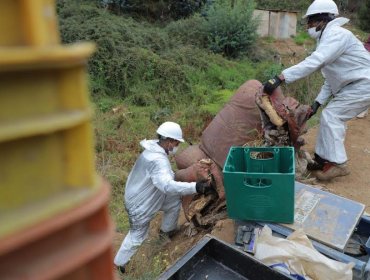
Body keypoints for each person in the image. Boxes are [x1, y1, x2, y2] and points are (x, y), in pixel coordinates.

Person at [263, 0, 370, 181]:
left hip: (362, 85)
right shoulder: (327, 39)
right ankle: (322, 159)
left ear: (323, 19)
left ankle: (338, 164)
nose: (309, 26)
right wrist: (317, 103)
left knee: (332, 116)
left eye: (311, 21)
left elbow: (315, 61)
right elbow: (330, 78)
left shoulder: (337, 35)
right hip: (353, 86)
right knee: (330, 117)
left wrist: (280, 77)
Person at [114, 121, 211, 273]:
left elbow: (164, 178)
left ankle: (167, 232)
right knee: (137, 236)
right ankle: (119, 264)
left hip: (147, 194)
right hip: (139, 204)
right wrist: (195, 187)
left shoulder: (153, 151)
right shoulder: (157, 160)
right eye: (177, 142)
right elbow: (166, 185)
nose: (177, 146)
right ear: (169, 141)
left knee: (173, 201)